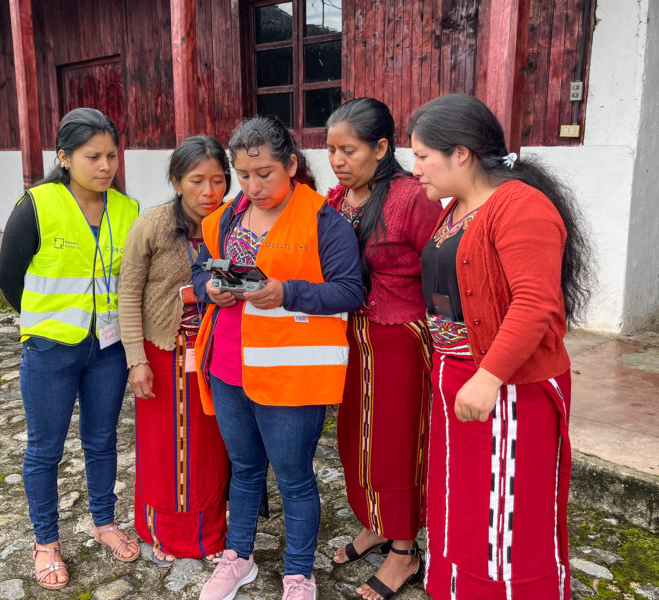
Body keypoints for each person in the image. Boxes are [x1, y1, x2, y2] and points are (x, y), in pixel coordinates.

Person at [408, 94, 593, 600]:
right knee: (464, 502)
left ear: (461, 154)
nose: (415, 168)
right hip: (458, 376)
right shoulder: (456, 208)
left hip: (508, 386)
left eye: (423, 156)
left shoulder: (520, 207)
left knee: (506, 513)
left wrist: (488, 376)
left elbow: (536, 303)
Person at [192, 116, 364, 600]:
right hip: (228, 365)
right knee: (244, 468)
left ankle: (299, 574)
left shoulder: (323, 220)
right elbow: (202, 269)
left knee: (294, 478)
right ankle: (238, 556)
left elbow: (350, 291)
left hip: (291, 372)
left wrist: (287, 292)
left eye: (265, 173)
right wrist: (210, 289)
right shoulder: (229, 216)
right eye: (244, 175)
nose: (253, 186)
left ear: (291, 165)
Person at [0, 107, 141, 590]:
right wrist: (43, 323)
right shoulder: (37, 205)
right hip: (51, 351)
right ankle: (46, 542)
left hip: (108, 350)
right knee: (45, 449)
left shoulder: (127, 209)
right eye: (92, 157)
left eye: (111, 156)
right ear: (64, 157)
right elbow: (8, 279)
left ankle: (104, 522)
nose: (105, 166)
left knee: (102, 440)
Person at [325, 98, 442, 600]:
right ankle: (376, 522)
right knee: (357, 438)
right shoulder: (337, 199)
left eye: (348, 150)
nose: (337, 161)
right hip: (352, 338)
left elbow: (442, 267)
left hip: (400, 339)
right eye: (331, 150)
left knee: (395, 444)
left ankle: (404, 549)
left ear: (380, 148)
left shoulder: (411, 198)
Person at [117, 136, 230, 566]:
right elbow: (128, 294)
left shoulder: (233, 225)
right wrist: (136, 360)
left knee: (210, 448)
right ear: (176, 182)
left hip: (215, 352)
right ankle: (159, 532)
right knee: (162, 448)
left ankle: (211, 534)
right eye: (197, 180)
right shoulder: (151, 226)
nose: (208, 191)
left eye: (218, 180)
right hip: (162, 354)